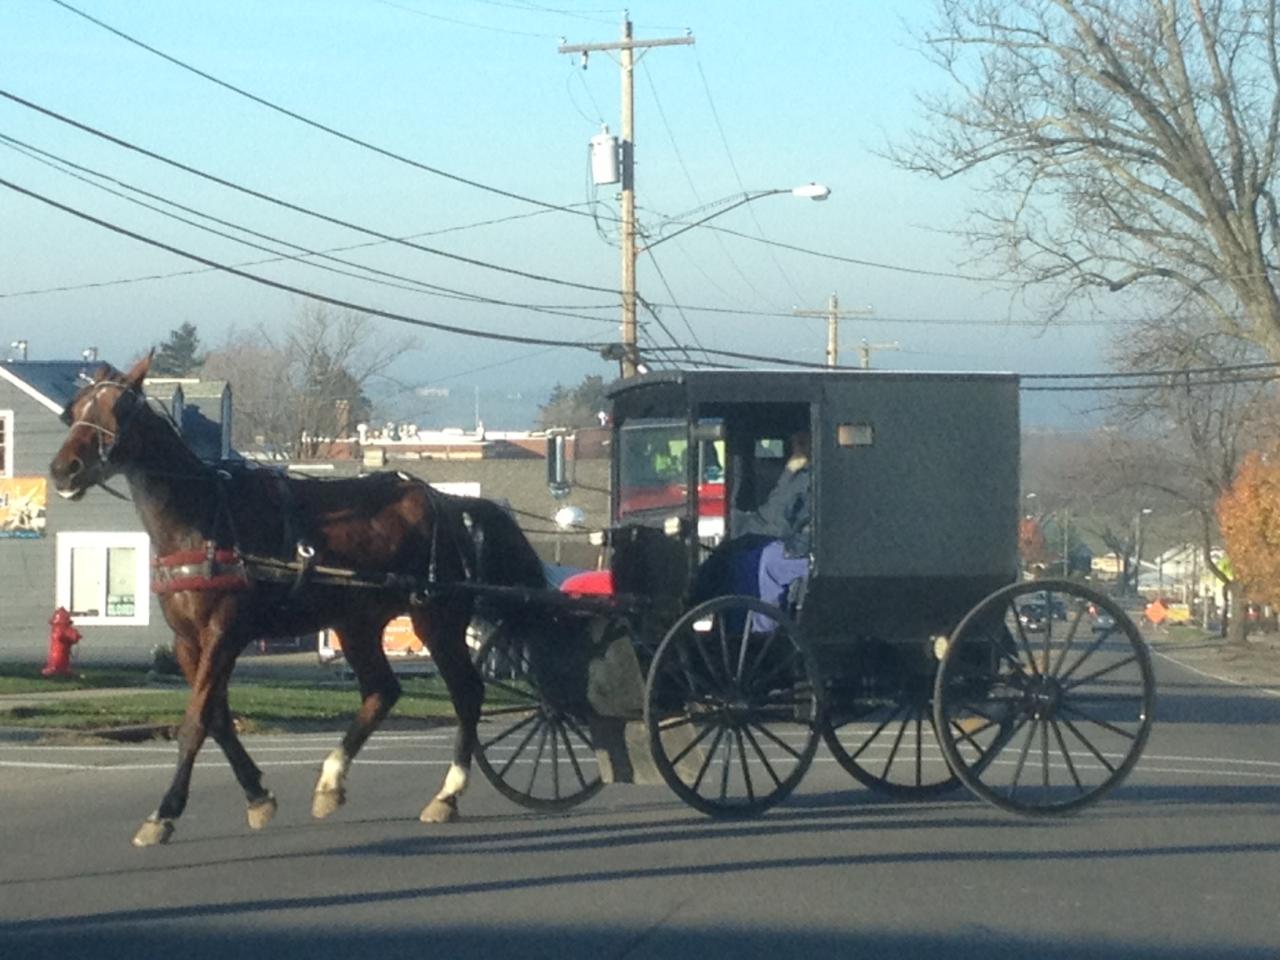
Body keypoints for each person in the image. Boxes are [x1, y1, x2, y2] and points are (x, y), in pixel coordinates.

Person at [729, 430, 812, 615]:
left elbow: (778, 519)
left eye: (801, 442)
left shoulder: (807, 478)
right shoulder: (798, 475)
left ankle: (764, 627)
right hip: (775, 528)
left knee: (769, 560)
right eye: (795, 442)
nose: (795, 447)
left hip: (798, 544)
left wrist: (790, 471)